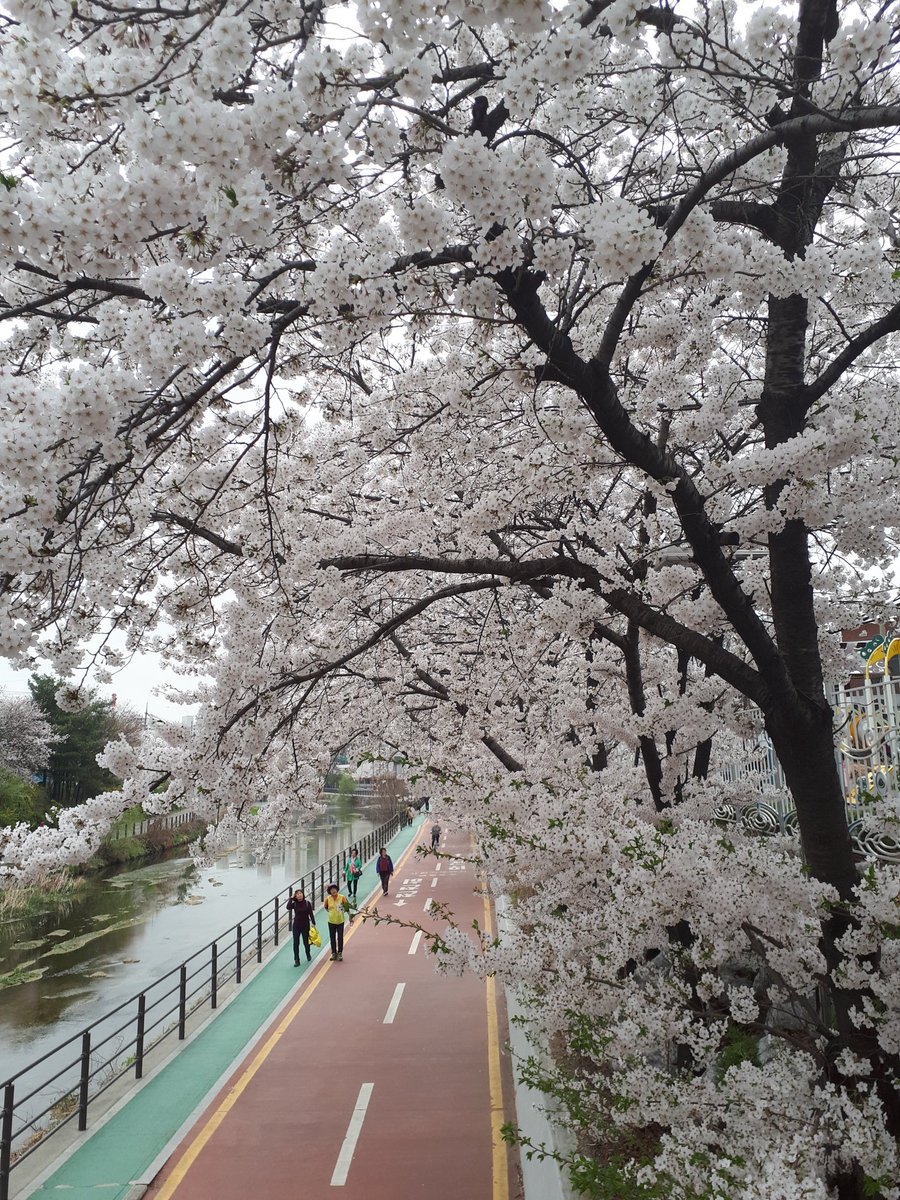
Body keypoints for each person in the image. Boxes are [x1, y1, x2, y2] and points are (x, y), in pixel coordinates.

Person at [286, 887, 316, 966]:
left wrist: (313, 923)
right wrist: (291, 898)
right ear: (295, 896)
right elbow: (288, 907)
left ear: (303, 894)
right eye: (297, 894)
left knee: (306, 942)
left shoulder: (307, 903)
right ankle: (296, 959)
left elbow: (311, 914)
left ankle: (308, 953)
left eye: (300, 893)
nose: (299, 895)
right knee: (296, 943)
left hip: (305, 925)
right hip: (296, 926)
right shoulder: (294, 904)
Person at [323, 883, 349, 961]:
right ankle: (334, 953)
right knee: (332, 938)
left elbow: (347, 907)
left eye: (334, 889)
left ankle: (340, 953)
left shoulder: (342, 897)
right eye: (331, 890)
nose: (333, 891)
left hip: (340, 921)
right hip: (331, 921)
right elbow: (326, 907)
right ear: (329, 891)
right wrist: (332, 913)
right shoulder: (328, 899)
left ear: (337, 889)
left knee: (340, 937)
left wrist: (350, 916)